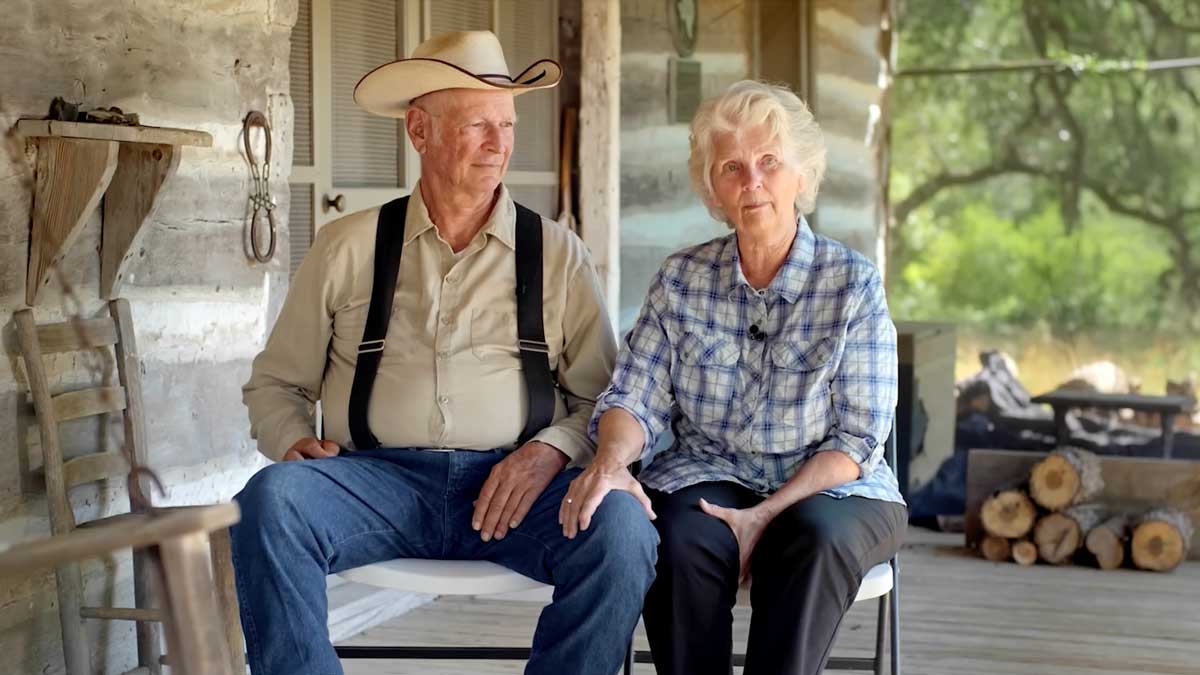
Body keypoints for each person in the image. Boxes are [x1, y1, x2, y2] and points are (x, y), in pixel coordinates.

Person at [231, 30, 657, 675]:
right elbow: (276, 384)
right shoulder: (348, 246)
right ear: (420, 131)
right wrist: (292, 439)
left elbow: (603, 398)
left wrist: (550, 451)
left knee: (622, 532)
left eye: (507, 124)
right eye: (478, 124)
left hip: (520, 487)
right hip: (378, 482)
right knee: (270, 502)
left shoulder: (558, 253)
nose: (500, 143)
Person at [560, 80, 907, 675]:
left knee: (813, 543)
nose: (752, 182)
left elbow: (856, 441)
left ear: (802, 175)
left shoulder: (853, 284)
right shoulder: (681, 279)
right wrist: (611, 461)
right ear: (713, 190)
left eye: (770, 162)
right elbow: (633, 398)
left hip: (833, 488)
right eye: (732, 167)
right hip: (710, 471)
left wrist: (765, 514)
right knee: (674, 539)